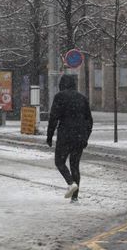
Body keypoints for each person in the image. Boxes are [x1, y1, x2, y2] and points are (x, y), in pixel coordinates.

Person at [47, 74, 93, 202]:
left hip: (65, 135)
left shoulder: (60, 97)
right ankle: (75, 197)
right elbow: (89, 120)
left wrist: (49, 136)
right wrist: (85, 137)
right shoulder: (82, 98)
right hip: (79, 137)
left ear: (62, 84)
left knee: (59, 162)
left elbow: (53, 118)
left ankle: (70, 183)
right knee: (75, 165)